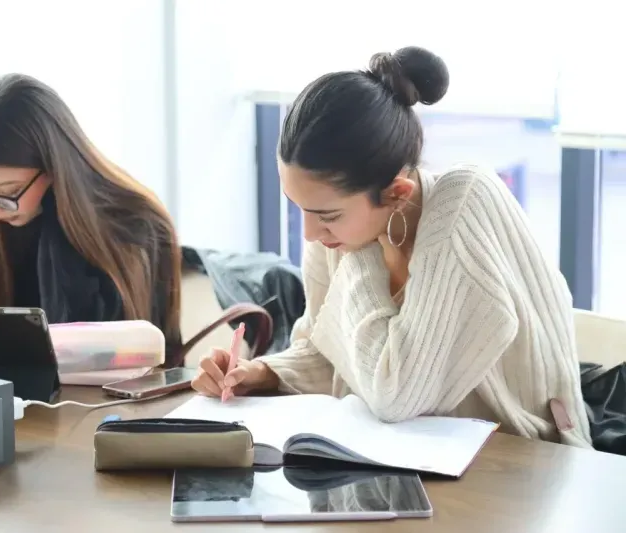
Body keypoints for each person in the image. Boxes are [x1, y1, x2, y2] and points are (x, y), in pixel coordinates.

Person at [192, 46, 591, 447]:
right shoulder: (346, 231)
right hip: (410, 459)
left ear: (397, 193)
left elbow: (395, 394)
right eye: (299, 210)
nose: (310, 233)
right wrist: (260, 372)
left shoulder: (463, 203)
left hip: (524, 463)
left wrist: (362, 256)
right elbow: (329, 354)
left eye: (327, 215)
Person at [0, 74, 184, 365]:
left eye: (9, 192)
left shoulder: (134, 223)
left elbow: (79, 346)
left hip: (111, 404)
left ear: (56, 168)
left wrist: (57, 218)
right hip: (13, 399)